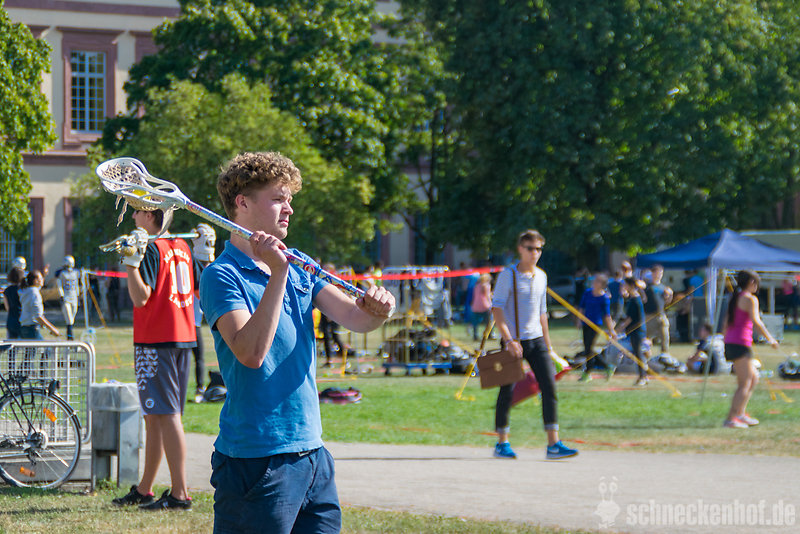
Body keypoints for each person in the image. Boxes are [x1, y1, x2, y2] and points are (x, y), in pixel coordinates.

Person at [199, 151, 394, 533]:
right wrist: (278, 274)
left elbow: (356, 319)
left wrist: (380, 310)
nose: (289, 209)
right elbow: (251, 353)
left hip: (312, 454)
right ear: (242, 203)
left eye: (289, 199)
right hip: (256, 459)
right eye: (278, 199)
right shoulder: (221, 275)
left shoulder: (297, 262)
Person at [111, 208, 203, 511]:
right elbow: (200, 288)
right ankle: (145, 488)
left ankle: (180, 493)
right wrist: (206, 257)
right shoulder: (182, 246)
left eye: (137, 211)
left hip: (156, 340)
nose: (133, 218)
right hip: (181, 337)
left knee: (167, 415)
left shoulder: (152, 247)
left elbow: (140, 297)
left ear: (150, 216)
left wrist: (131, 265)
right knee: (154, 417)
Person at [490, 229, 578, 461]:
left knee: (549, 387)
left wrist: (549, 347)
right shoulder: (508, 275)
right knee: (507, 391)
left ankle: (553, 443)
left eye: (539, 249)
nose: (535, 253)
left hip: (536, 339)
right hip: (514, 341)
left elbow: (542, 313)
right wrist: (509, 340)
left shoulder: (541, 276)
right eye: (530, 249)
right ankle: (502, 442)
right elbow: (497, 309)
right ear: (521, 249)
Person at [722, 270, 778, 429]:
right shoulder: (750, 299)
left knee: (753, 378)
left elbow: (726, 322)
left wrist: (725, 338)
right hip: (740, 343)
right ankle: (730, 419)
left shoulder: (736, 297)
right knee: (745, 383)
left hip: (734, 342)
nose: (757, 286)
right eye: (756, 283)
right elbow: (756, 321)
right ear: (751, 282)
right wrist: (771, 339)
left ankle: (740, 413)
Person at [577, 273, 616, 382]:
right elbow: (582, 307)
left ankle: (589, 372)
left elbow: (607, 315)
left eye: (597, 281)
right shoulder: (587, 293)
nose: (594, 282)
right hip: (585, 324)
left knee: (588, 348)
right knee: (588, 348)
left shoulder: (604, 298)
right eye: (595, 280)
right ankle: (606, 367)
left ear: (602, 284)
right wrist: (579, 320)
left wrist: (611, 330)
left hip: (595, 325)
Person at [617, 277, 648, 386]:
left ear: (630, 285)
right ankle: (643, 376)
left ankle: (642, 377)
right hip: (635, 331)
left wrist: (619, 328)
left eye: (625, 284)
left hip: (637, 331)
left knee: (638, 354)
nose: (623, 286)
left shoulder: (635, 299)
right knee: (637, 353)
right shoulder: (633, 298)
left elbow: (630, 318)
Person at [319, 263, 350, 367]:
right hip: (324, 310)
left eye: (327, 269)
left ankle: (344, 358)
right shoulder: (322, 280)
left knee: (335, 336)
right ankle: (329, 360)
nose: (325, 271)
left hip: (334, 311)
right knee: (326, 336)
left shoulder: (335, 281)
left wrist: (331, 314)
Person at [19, 270, 60, 340]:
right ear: (35, 281)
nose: (43, 279)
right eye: (41, 278)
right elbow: (38, 316)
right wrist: (52, 329)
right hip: (32, 329)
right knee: (43, 347)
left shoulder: (26, 291)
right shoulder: (34, 293)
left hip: (24, 327)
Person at [643, 265, 673, 356]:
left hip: (661, 315)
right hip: (649, 316)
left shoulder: (663, 287)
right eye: (657, 273)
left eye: (661, 273)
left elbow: (667, 302)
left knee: (665, 336)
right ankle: (646, 355)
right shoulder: (647, 286)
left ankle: (665, 354)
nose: (659, 275)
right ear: (652, 273)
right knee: (647, 338)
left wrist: (669, 296)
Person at [55, 255, 81, 340]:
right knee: (69, 318)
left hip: (74, 297)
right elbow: (59, 285)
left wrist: (78, 294)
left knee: (72, 318)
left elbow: (77, 284)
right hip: (66, 297)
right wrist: (61, 295)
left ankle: (69, 334)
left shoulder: (76, 272)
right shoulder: (61, 273)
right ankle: (70, 335)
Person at [3, 266, 25, 339]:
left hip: (11, 320)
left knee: (12, 343)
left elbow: (7, 308)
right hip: (22, 319)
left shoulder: (7, 290)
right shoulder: (22, 289)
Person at [470, 273, 493, 341]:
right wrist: (491, 304)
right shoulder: (487, 286)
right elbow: (487, 296)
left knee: (475, 323)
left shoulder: (476, 286)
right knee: (488, 322)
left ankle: (475, 335)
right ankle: (489, 335)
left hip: (475, 305)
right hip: (484, 305)